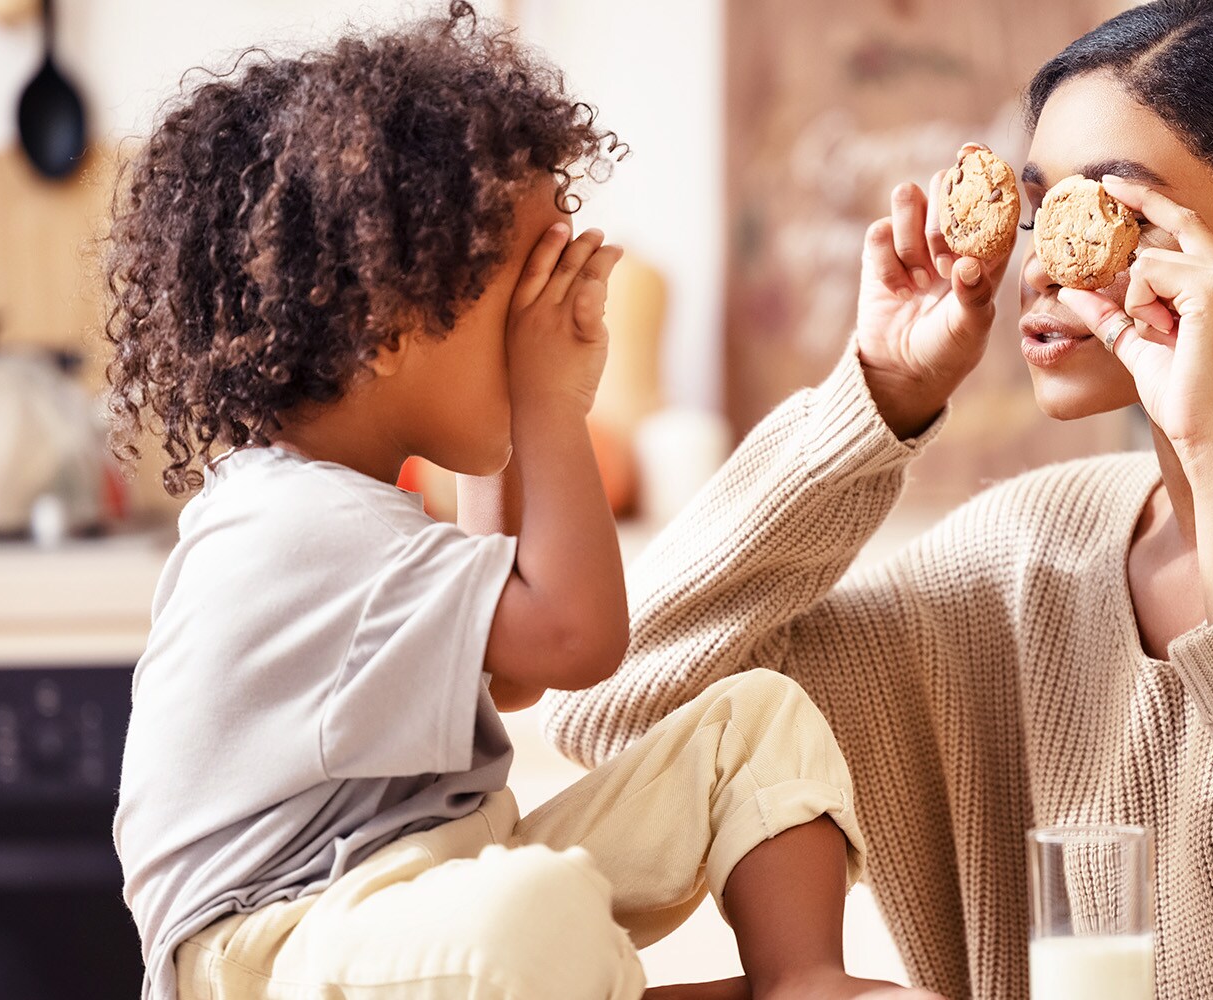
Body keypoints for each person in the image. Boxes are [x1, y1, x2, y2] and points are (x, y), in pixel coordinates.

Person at [546, 0, 1213, 997]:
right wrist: (876, 397)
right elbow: (617, 711)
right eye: (1040, 208)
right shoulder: (1025, 550)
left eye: (1112, 210)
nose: (1041, 263)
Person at [104, 5, 931, 1000]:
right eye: (523, 297)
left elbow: (512, 680)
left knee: (749, 723)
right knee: (536, 909)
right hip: (273, 952)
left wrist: (519, 420)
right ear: (388, 326)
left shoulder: (345, 508)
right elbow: (575, 641)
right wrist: (549, 403)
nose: (547, 324)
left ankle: (800, 979)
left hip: (419, 887)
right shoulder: (296, 531)